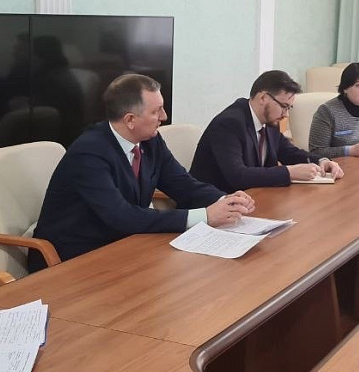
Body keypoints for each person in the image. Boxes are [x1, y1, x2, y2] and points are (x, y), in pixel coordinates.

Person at [30, 74, 255, 269]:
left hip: (124, 245)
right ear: (130, 120)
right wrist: (205, 216)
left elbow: (183, 184)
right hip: (75, 256)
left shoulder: (150, 141)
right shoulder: (89, 153)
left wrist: (225, 201)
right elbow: (121, 216)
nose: (164, 117)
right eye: (156, 111)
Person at [190, 71, 344, 191]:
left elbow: (288, 152)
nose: (286, 115)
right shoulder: (229, 124)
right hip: (215, 203)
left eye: (289, 108)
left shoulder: (269, 121)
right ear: (263, 98)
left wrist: (322, 161)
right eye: (284, 107)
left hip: (250, 198)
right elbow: (238, 176)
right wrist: (289, 172)